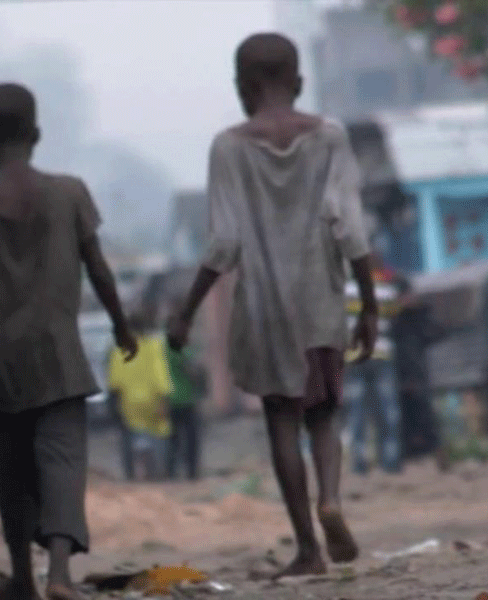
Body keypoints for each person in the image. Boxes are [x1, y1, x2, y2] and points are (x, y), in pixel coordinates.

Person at [167, 33, 379, 578]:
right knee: (325, 412)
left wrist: (187, 310)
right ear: (299, 81)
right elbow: (350, 228)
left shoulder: (228, 147)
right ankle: (330, 498)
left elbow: (223, 244)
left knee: (281, 421)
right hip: (321, 300)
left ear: (243, 85)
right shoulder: (330, 138)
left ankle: (308, 548)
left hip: (263, 309)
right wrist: (369, 306)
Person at [0, 82, 137, 600]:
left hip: (2, 364)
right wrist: (121, 324)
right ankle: (59, 574)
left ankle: (23, 581)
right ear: (36, 134)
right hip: (60, 357)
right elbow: (97, 267)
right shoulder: (70, 193)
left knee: (10, 473)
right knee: (62, 462)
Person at [344, 264, 402, 475]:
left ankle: (360, 465)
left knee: (357, 414)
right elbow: (395, 315)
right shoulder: (388, 291)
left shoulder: (344, 290)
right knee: (388, 412)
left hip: (355, 358)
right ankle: (390, 463)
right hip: (383, 355)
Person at [390, 276, 449, 470]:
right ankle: (402, 464)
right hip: (396, 374)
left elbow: (438, 332)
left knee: (426, 417)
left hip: (418, 373)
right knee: (403, 421)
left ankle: (439, 458)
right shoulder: (392, 318)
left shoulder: (418, 316)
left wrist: (420, 311)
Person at [107, 310, 172, 482]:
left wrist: (115, 404)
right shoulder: (154, 346)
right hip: (152, 402)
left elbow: (115, 381)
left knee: (131, 439)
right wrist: (163, 399)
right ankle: (156, 472)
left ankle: (133, 475)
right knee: (157, 437)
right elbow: (160, 374)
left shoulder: (119, 350)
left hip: (129, 404)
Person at [165, 311, 205, 481]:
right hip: (186, 400)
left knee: (173, 439)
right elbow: (193, 372)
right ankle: (192, 472)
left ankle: (172, 472)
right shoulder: (183, 349)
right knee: (191, 439)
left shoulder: (163, 348)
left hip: (169, 400)